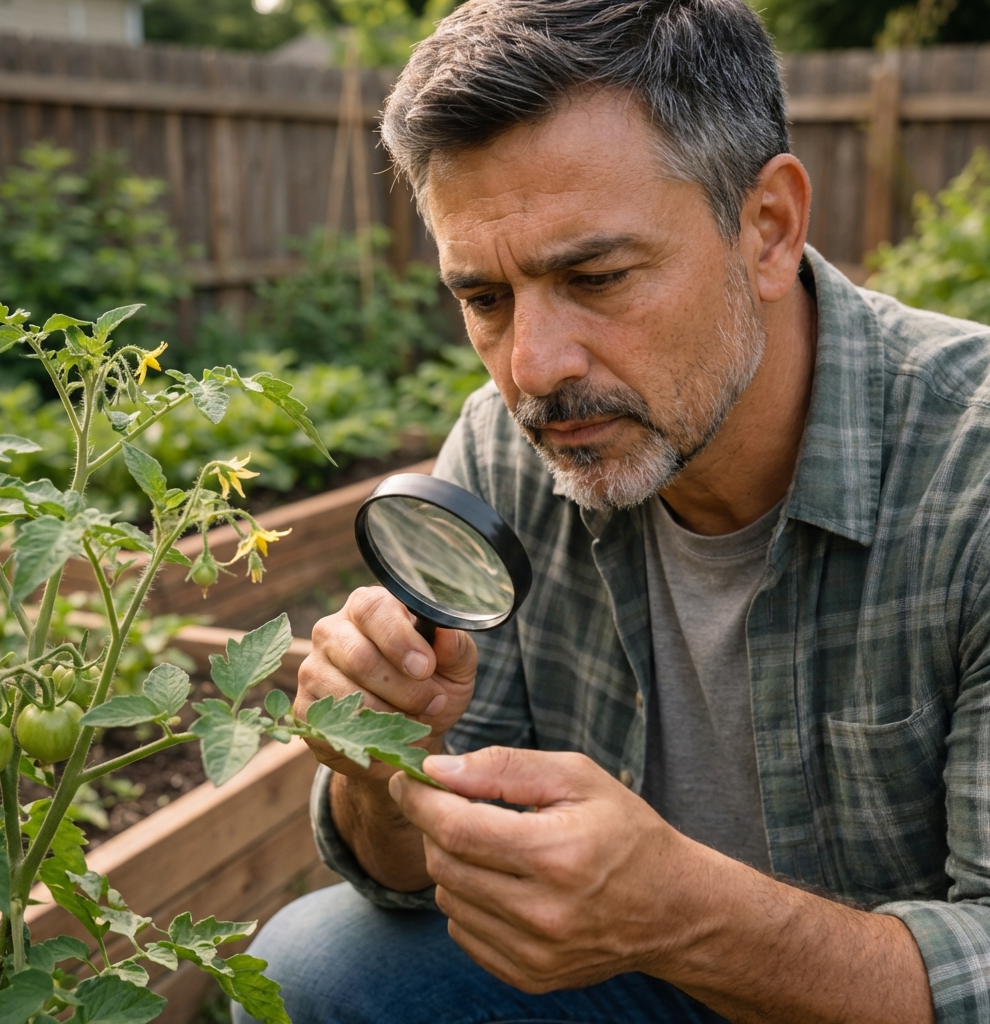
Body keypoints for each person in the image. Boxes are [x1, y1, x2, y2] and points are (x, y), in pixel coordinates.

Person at [233, 2, 990, 1022]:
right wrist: (380, 767)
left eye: (595, 277)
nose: (533, 369)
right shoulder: (503, 450)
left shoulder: (969, 469)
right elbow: (410, 876)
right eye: (485, 300)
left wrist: (682, 915)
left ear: (766, 229)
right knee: (318, 964)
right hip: (640, 982)